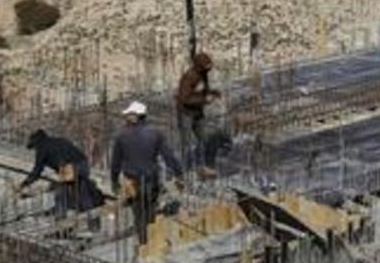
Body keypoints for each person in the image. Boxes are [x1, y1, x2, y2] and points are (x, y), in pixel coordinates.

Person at [110, 101, 184, 246]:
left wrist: (114, 182)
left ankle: (144, 244)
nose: (126, 118)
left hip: (132, 182)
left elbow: (115, 163)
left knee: (138, 215)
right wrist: (179, 174)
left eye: (129, 115)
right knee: (150, 212)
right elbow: (169, 157)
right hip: (151, 180)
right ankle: (152, 242)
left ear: (136, 116)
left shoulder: (121, 136)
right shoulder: (156, 133)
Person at [19, 129, 106, 216]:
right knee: (81, 188)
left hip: (68, 166)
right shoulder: (59, 140)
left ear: (36, 143)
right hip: (83, 163)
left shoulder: (42, 147)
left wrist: (25, 183)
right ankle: (90, 212)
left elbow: (37, 170)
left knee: (62, 192)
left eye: (34, 147)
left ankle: (61, 215)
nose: (35, 149)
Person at [175, 52, 228, 176]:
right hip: (186, 113)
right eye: (206, 67)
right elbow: (184, 99)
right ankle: (185, 170)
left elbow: (202, 89)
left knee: (203, 138)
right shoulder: (189, 77)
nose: (208, 70)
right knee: (186, 142)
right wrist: (205, 100)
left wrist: (213, 92)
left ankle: (201, 165)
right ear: (199, 66)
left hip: (198, 111)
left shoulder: (203, 74)